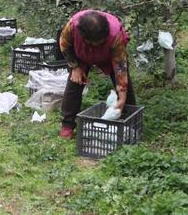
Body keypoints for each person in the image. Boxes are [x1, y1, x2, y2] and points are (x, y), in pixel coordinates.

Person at [58, 9, 136, 139]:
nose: (97, 45)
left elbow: (120, 69)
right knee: (74, 84)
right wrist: (75, 67)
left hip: (109, 56)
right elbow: (64, 45)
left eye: (100, 42)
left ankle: (131, 125)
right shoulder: (72, 27)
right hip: (81, 54)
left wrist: (121, 97)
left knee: (126, 92)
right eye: (94, 43)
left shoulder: (115, 35)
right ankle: (67, 125)